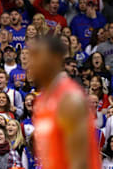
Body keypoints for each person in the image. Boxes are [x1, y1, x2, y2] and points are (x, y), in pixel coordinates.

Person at [30, 36, 100, 169]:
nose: (32, 63)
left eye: (37, 57)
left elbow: (81, 161)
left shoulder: (69, 99)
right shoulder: (42, 99)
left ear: (55, 59)